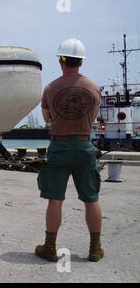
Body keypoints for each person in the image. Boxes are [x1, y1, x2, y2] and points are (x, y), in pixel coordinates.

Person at [35, 38, 104, 263]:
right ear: (81, 61)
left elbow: (47, 118)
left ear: (62, 60)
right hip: (84, 146)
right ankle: (95, 248)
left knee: (55, 199)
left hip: (59, 146)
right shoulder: (94, 88)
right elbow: (92, 118)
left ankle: (50, 247)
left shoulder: (50, 88)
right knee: (91, 198)